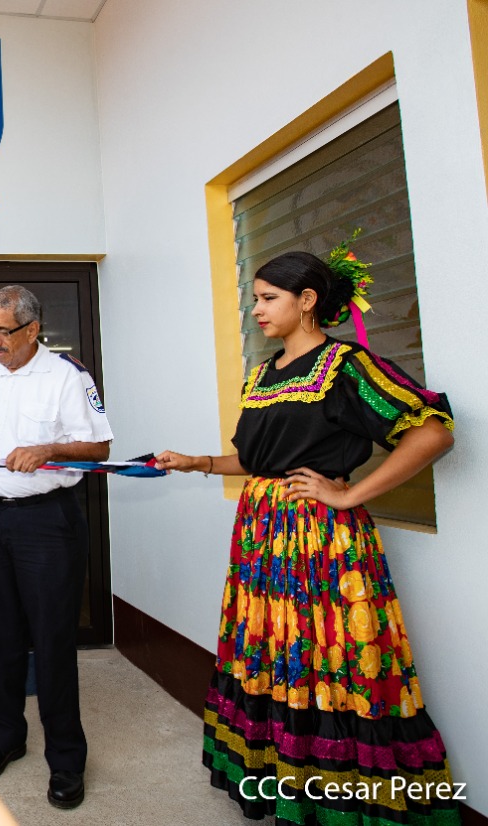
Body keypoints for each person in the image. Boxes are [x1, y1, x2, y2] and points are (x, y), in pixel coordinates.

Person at [155, 248, 458, 823]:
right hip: (261, 535)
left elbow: (431, 432)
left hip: (319, 538)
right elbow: (256, 459)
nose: (258, 310)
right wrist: (198, 462)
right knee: (273, 651)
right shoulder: (263, 374)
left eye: (269, 298)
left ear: (308, 300)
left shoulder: (346, 366)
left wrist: (348, 493)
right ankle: (280, 778)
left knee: (329, 653)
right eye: (256, 299)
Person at [0, 285, 112, 811]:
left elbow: (100, 446)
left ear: (32, 330)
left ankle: (66, 759)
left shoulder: (67, 376)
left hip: (47, 521)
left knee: (51, 642)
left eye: (3, 331)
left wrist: (49, 448)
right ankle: (4, 738)